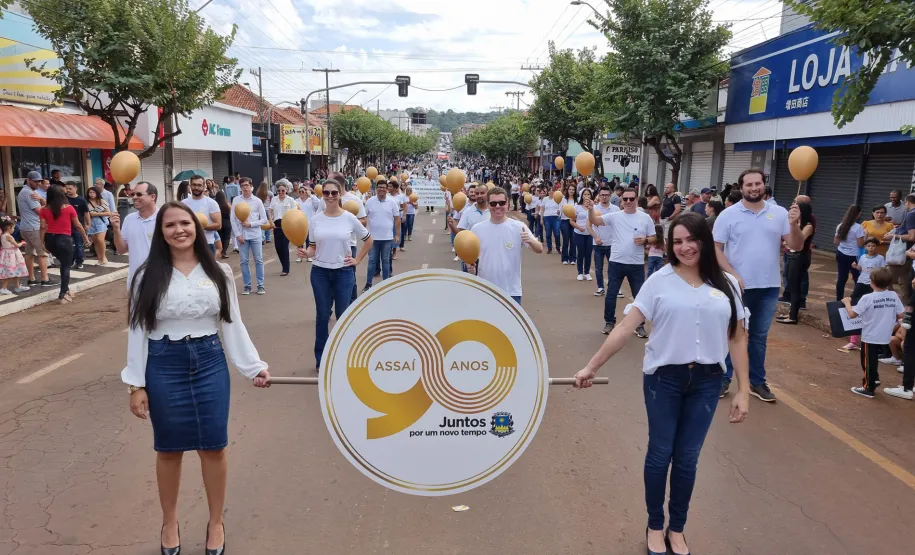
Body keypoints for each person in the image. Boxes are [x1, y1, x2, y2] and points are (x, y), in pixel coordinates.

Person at [574, 211, 750, 555]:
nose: (685, 247)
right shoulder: (659, 280)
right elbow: (626, 327)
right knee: (660, 454)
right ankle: (655, 526)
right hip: (663, 380)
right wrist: (591, 366)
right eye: (677, 241)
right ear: (669, 245)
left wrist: (743, 390)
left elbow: (739, 338)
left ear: (703, 239)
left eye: (691, 239)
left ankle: (677, 529)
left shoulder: (728, 284)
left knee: (687, 458)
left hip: (708, 381)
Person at [122, 202, 270, 555]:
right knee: (169, 450)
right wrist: (136, 383)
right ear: (161, 232)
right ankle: (169, 521)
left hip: (209, 362)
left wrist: (253, 367)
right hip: (164, 364)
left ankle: (215, 521)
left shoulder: (218, 272)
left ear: (197, 227)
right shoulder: (146, 275)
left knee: (214, 447)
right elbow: (138, 329)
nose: (179, 230)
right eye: (170, 225)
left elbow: (231, 323)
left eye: (185, 223)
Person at [713, 169, 803, 402]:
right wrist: (732, 274)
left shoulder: (781, 213)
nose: (754, 188)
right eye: (749, 184)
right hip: (736, 287)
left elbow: (796, 245)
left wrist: (794, 225)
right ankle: (723, 379)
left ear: (764, 185)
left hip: (768, 286)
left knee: (759, 336)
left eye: (758, 183)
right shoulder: (728, 215)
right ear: (741, 188)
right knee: (734, 333)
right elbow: (715, 248)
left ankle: (757, 382)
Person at [297, 179, 373, 370]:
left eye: (334, 193)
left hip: (343, 273)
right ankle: (321, 359)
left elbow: (368, 239)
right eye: (326, 193)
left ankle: (343, 356)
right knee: (322, 316)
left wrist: (357, 260)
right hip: (320, 273)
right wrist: (307, 253)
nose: (330, 196)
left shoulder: (349, 217)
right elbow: (313, 246)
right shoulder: (315, 219)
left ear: (340, 194)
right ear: (322, 195)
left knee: (342, 316)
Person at [589, 187, 656, 338]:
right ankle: (609, 322)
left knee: (639, 297)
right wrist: (590, 209)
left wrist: (645, 240)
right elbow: (594, 221)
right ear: (621, 201)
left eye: (631, 199)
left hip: (636, 264)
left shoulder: (645, 218)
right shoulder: (615, 216)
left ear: (636, 200)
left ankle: (639, 325)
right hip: (616, 262)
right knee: (611, 294)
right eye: (625, 199)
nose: (628, 202)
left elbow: (654, 237)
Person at [466, 187, 543, 303]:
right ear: (488, 205)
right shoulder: (477, 229)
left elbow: (539, 249)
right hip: (485, 290)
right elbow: (470, 255)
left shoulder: (518, 227)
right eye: (493, 203)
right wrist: (470, 266)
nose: (497, 206)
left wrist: (530, 240)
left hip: (511, 291)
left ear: (507, 204)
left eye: (501, 203)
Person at [842, 268, 903, 398]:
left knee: (867, 360)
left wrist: (847, 303)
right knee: (872, 359)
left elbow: (852, 314)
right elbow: (901, 314)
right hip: (885, 334)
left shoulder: (867, 297)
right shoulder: (893, 295)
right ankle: (874, 379)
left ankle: (868, 388)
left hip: (870, 335)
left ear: (872, 282)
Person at [39, 185, 89, 304]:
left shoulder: (43, 209)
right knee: (66, 266)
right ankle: (62, 294)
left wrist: (41, 242)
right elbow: (78, 225)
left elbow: (42, 227)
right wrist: (85, 237)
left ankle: (66, 289)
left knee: (64, 263)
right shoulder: (69, 208)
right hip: (64, 239)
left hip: (50, 239)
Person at [111, 182, 159, 287]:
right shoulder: (129, 219)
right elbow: (121, 250)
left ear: (152, 197)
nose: (134, 197)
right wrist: (116, 228)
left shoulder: (164, 218)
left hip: (160, 280)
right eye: (133, 195)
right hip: (136, 281)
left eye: (139, 194)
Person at [775, 202, 815, 325]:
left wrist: (789, 240)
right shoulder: (796, 224)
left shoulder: (807, 225)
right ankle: (791, 313)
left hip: (800, 257)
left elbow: (799, 240)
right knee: (791, 285)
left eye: (795, 209)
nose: (792, 211)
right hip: (792, 255)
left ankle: (793, 316)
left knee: (795, 287)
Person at [231, 178, 268, 295]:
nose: (245, 188)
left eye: (246, 185)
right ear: (240, 187)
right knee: (244, 261)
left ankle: (260, 285)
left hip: (255, 234)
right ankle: (247, 286)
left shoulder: (257, 201)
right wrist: (237, 235)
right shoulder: (236, 200)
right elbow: (233, 219)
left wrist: (251, 224)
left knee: (259, 260)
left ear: (251, 186)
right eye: (242, 186)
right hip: (242, 236)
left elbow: (264, 219)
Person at [17, 171, 53, 287]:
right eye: (36, 181)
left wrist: (41, 200)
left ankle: (31, 278)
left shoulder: (27, 191)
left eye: (39, 181)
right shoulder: (29, 193)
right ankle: (45, 279)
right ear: (28, 180)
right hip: (33, 227)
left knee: (29, 253)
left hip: (26, 227)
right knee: (42, 253)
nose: (38, 183)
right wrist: (43, 200)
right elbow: (41, 211)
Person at [363, 179, 400, 291]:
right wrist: (364, 234)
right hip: (372, 239)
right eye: (380, 187)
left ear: (387, 189)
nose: (382, 189)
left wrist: (397, 234)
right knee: (372, 261)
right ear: (376, 189)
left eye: (384, 187)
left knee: (386, 261)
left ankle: (385, 285)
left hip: (387, 238)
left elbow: (397, 219)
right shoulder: (370, 202)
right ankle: (368, 284)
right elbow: (364, 218)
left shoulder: (392, 202)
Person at [181, 175, 222, 256]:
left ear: (204, 186)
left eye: (199, 185)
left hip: (207, 243)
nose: (196, 187)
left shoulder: (211, 203)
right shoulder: (183, 203)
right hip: (189, 243)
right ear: (190, 185)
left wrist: (200, 226)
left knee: (208, 269)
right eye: (194, 185)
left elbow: (218, 225)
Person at [592, 186, 620, 296]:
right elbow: (589, 225)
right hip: (598, 243)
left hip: (612, 243)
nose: (604, 197)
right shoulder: (594, 209)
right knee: (598, 268)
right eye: (602, 195)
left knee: (613, 267)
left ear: (610, 195)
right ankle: (600, 287)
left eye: (607, 195)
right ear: (599, 195)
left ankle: (614, 288)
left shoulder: (616, 209)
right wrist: (595, 237)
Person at [834, 204, 865, 302]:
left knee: (841, 278)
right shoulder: (858, 227)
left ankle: (839, 300)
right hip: (853, 257)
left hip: (840, 253)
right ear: (859, 214)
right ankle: (857, 299)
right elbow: (860, 245)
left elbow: (836, 242)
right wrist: (866, 237)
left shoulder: (840, 226)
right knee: (857, 278)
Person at [267, 179, 298, 276]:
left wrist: (292, 224)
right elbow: (270, 210)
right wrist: (271, 222)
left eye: (283, 190)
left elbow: (295, 212)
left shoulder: (290, 200)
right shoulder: (274, 199)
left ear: (286, 190)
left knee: (284, 246)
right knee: (277, 247)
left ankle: (286, 268)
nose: (281, 192)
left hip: (287, 224)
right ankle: (283, 264)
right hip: (277, 224)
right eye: (279, 191)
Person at [571, 188, 597, 282]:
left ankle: (587, 272)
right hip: (579, 233)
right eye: (585, 194)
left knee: (588, 253)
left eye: (588, 194)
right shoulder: (577, 207)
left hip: (590, 234)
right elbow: (572, 221)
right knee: (581, 252)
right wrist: (578, 227)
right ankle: (580, 273)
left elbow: (596, 219)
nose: (587, 196)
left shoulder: (594, 207)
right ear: (582, 196)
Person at [0, 216, 29, 295]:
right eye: (13, 228)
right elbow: (17, 245)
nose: (13, 230)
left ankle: (17, 286)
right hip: (11, 256)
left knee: (16, 271)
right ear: (9, 228)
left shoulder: (2, 235)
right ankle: (4, 288)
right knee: (11, 272)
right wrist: (22, 243)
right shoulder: (8, 236)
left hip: (8, 255)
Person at [64, 182, 90, 269]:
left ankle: (79, 261)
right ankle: (70, 260)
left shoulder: (81, 200)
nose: (68, 190)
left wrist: (88, 223)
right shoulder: (64, 199)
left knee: (79, 245)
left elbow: (86, 213)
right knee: (68, 245)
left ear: (75, 188)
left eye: (70, 188)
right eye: (66, 188)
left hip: (78, 226)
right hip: (66, 226)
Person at [85, 186, 111, 265]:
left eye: (93, 192)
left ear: (97, 193)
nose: (92, 194)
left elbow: (108, 213)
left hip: (101, 222)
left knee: (100, 240)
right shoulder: (86, 202)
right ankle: (99, 258)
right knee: (96, 242)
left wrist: (95, 214)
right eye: (90, 192)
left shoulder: (101, 201)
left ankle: (103, 257)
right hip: (91, 223)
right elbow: (85, 214)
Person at [539, 186, 562, 255]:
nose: (551, 192)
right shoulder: (545, 199)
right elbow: (542, 209)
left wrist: (559, 213)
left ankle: (558, 248)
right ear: (547, 192)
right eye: (549, 191)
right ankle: (549, 248)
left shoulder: (557, 198)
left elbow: (560, 208)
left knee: (557, 234)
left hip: (556, 217)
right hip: (547, 217)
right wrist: (541, 218)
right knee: (548, 234)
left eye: (552, 190)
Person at [560, 184, 578, 265]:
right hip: (565, 221)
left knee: (573, 241)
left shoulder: (577, 200)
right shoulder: (563, 199)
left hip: (574, 221)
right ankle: (564, 258)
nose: (571, 191)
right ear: (567, 190)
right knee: (566, 240)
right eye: (570, 189)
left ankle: (573, 258)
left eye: (573, 190)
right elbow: (560, 210)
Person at [214, 191, 233, 259]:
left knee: (220, 237)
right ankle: (224, 252)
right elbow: (232, 214)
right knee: (227, 238)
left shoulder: (215, 205)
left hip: (219, 223)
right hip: (227, 222)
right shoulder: (227, 204)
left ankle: (220, 250)